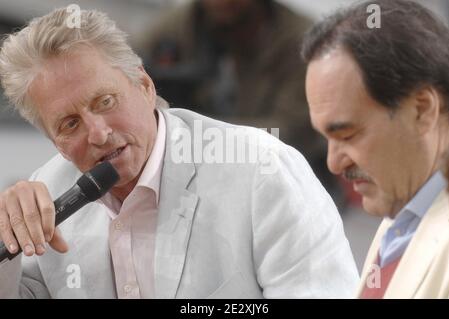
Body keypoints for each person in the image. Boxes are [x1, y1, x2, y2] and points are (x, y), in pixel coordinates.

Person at [0, 8, 358, 298]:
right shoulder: (47, 194)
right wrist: (5, 241)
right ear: (54, 142)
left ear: (144, 85)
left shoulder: (262, 171)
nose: (98, 133)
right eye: (69, 124)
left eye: (105, 101)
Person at [301, 0, 449, 298]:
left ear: (422, 109)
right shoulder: (401, 216)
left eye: (348, 134)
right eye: (327, 138)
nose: (334, 163)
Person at [140, 0, 342, 205]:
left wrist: (188, 133)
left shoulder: (300, 42)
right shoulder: (185, 24)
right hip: (194, 173)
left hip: (282, 178)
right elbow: (126, 72)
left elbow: (289, 133)